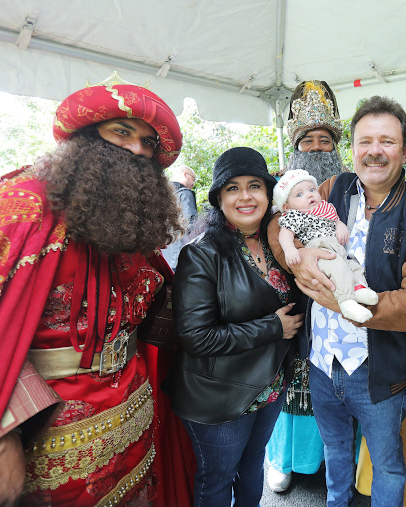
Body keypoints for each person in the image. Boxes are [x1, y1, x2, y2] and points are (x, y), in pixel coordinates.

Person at [0, 78, 191, 506]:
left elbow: (157, 310)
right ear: (86, 137)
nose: (138, 150)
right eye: (122, 131)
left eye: (149, 142)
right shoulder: (19, 205)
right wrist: (1, 431)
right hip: (44, 447)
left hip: (134, 427)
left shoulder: (133, 226)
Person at [269, 95, 406, 506]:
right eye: (365, 140)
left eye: (387, 141)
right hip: (321, 361)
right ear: (351, 148)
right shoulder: (332, 189)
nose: (375, 151)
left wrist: (339, 301)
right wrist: (304, 264)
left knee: (386, 465)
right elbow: (281, 225)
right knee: (334, 453)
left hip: (377, 372)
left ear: (404, 150)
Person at [162, 146, 304, 506]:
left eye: (254, 185)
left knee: (253, 467)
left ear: (268, 193)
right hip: (218, 396)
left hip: (270, 385)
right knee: (218, 478)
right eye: (232, 188)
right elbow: (195, 337)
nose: (245, 196)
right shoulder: (202, 254)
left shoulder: (279, 245)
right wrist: (272, 328)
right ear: (219, 199)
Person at [266, 79, 348, 493]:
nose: (317, 148)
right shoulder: (278, 189)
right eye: (308, 141)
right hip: (294, 298)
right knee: (292, 376)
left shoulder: (350, 186)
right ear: (296, 147)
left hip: (339, 299)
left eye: (324, 141)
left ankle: (330, 465)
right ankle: (283, 459)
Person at [275, 169, 378, 323]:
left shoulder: (326, 208)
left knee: (353, 266)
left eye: (311, 190)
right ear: (287, 206)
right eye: (299, 194)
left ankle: (359, 288)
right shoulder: (295, 215)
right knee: (337, 269)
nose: (309, 195)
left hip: (338, 250)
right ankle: (346, 302)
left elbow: (335, 221)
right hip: (319, 249)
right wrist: (290, 249)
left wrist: (340, 227)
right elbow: (285, 234)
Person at [163, 164, 199, 268]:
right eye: (193, 179)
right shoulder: (185, 194)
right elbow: (191, 224)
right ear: (185, 175)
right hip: (179, 255)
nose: (193, 183)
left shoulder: (162, 194)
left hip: (163, 256)